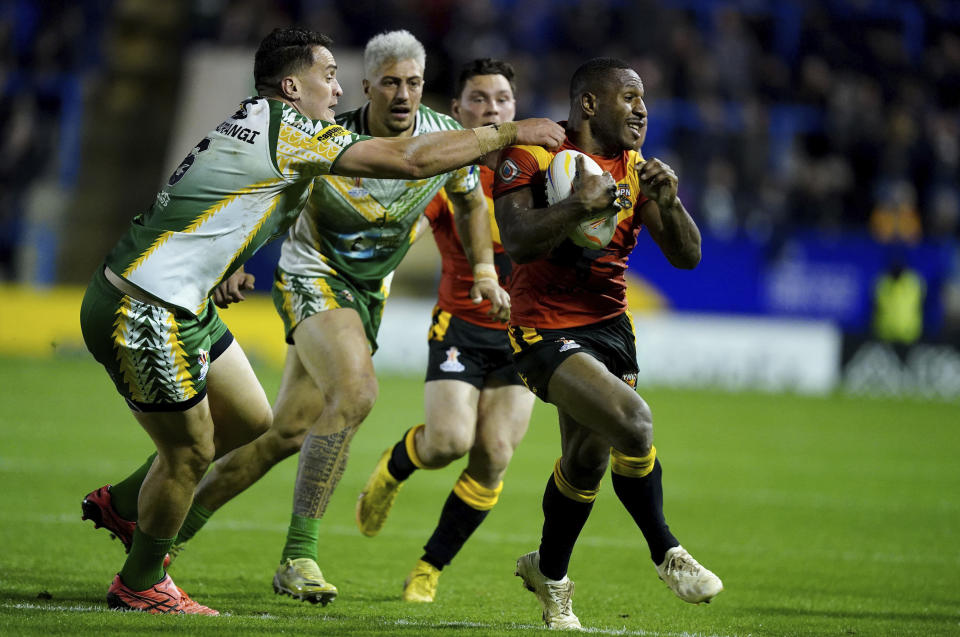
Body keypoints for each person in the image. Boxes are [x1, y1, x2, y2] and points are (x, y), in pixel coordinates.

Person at [79, 26, 563, 615]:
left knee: (259, 423)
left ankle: (126, 502)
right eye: (329, 77)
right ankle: (144, 580)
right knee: (201, 448)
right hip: (154, 302)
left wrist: (227, 262)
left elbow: (239, 194)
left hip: (202, 298)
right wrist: (509, 132)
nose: (335, 91)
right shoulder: (293, 131)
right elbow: (408, 164)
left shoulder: (265, 122)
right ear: (293, 85)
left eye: (412, 82)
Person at [492, 57, 723, 629]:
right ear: (590, 104)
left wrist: (669, 203)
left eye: (644, 99)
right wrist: (578, 205)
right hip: (543, 327)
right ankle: (668, 551)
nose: (642, 109)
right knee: (634, 423)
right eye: (630, 97)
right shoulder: (532, 156)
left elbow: (688, 257)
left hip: (611, 329)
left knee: (587, 458)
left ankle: (548, 573)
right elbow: (518, 241)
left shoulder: (638, 170)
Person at [354, 58, 536, 603]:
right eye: (478, 100)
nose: (491, 109)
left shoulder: (545, 171)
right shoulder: (446, 173)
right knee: (450, 442)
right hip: (461, 326)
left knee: (495, 452)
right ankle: (394, 466)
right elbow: (400, 229)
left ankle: (429, 568)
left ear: (514, 109)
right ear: (456, 111)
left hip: (523, 336)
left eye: (501, 99)